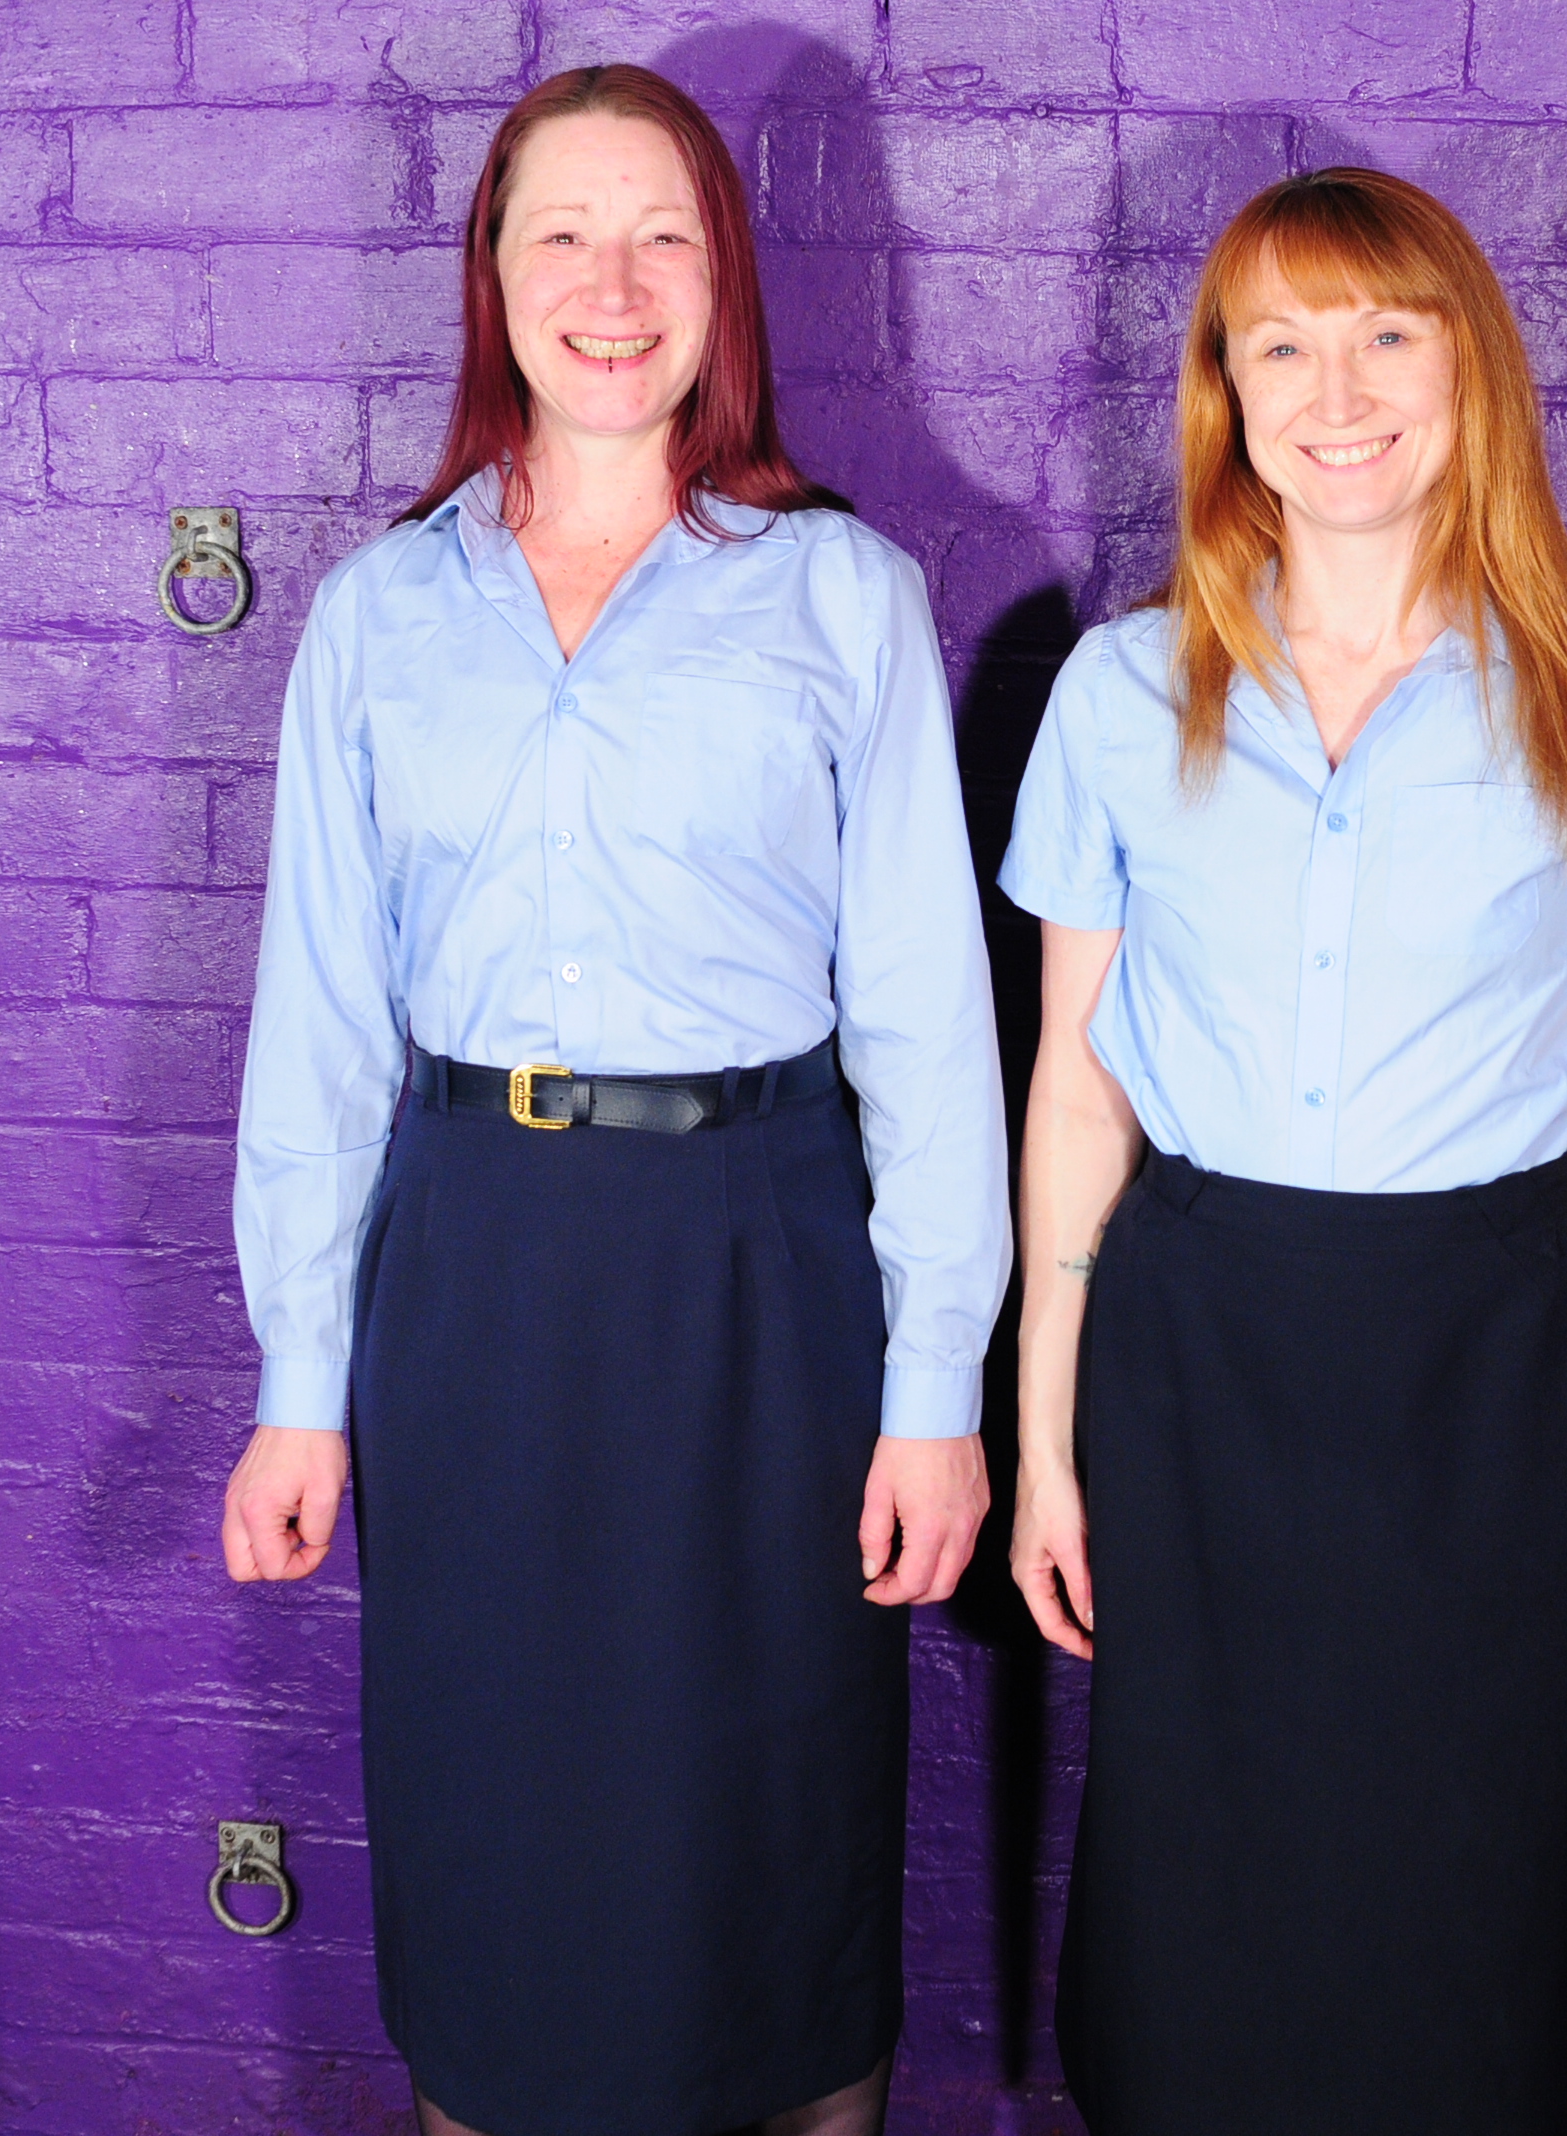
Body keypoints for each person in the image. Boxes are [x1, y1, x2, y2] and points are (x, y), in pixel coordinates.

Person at [216, 66, 1008, 2136]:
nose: (613, 284)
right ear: (491, 275)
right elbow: (322, 1023)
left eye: (662, 234)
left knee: (775, 1813)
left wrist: (937, 1386)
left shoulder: (842, 595)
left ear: (723, 276)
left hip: (760, 1260)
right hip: (474, 1265)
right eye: (560, 233)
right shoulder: (378, 616)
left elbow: (927, 1030)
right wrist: (302, 1382)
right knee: (497, 1818)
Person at [999, 168, 1567, 2134]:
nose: (1338, 394)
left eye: (1386, 336)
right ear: (1226, 394)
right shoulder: (1116, 696)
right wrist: (1047, 1443)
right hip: (1197, 1364)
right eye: (1284, 348)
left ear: (1466, 368)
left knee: (1472, 1922)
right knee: (1203, 1912)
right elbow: (1077, 1090)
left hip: (1490, 1377)